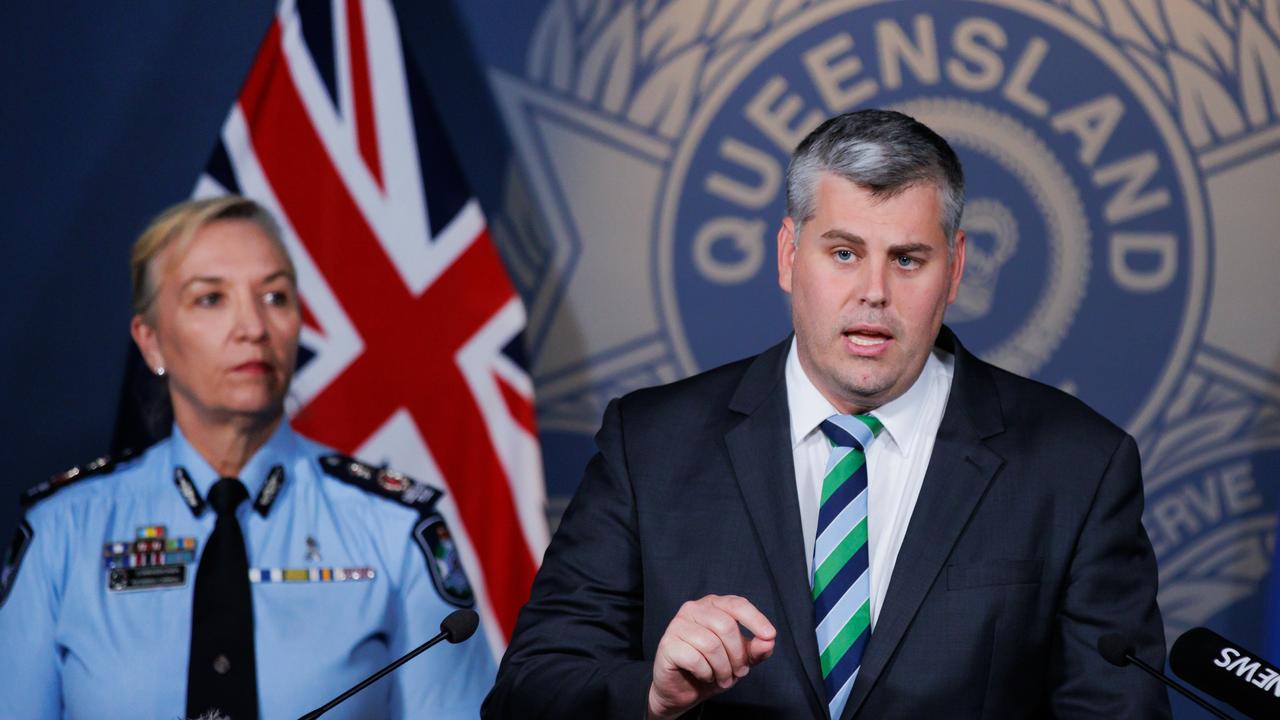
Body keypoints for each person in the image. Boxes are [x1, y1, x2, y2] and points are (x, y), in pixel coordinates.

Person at [483, 110, 1169, 719]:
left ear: (955, 269)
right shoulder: (651, 444)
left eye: (908, 259)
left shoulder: (1077, 466)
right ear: (789, 256)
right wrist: (650, 695)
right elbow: (529, 690)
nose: (873, 293)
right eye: (843, 253)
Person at [0, 196, 494, 719]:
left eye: (275, 296)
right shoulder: (63, 534)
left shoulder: (394, 530)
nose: (253, 327)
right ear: (151, 343)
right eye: (210, 299)